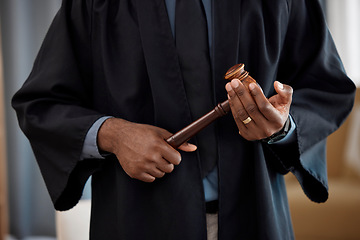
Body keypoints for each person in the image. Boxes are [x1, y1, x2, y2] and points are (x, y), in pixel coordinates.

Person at [12, 0, 355, 239]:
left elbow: (327, 89)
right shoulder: (97, 4)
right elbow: (42, 103)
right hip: (138, 219)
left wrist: (283, 126)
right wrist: (112, 134)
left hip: (255, 215)